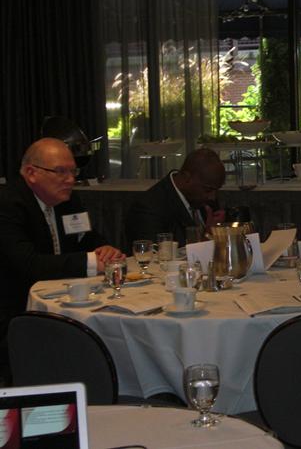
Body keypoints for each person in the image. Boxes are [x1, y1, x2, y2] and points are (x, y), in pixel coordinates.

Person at [0, 138, 123, 369]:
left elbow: (87, 237)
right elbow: (28, 264)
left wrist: (105, 249)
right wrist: (90, 261)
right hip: (15, 313)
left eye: (73, 171)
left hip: (63, 299)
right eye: (60, 171)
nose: (70, 179)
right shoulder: (8, 205)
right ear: (31, 173)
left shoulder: (66, 199)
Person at [125, 148, 226, 249]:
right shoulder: (149, 207)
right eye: (208, 190)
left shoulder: (203, 197)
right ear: (187, 178)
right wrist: (209, 235)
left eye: (216, 190)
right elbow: (157, 255)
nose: (212, 197)